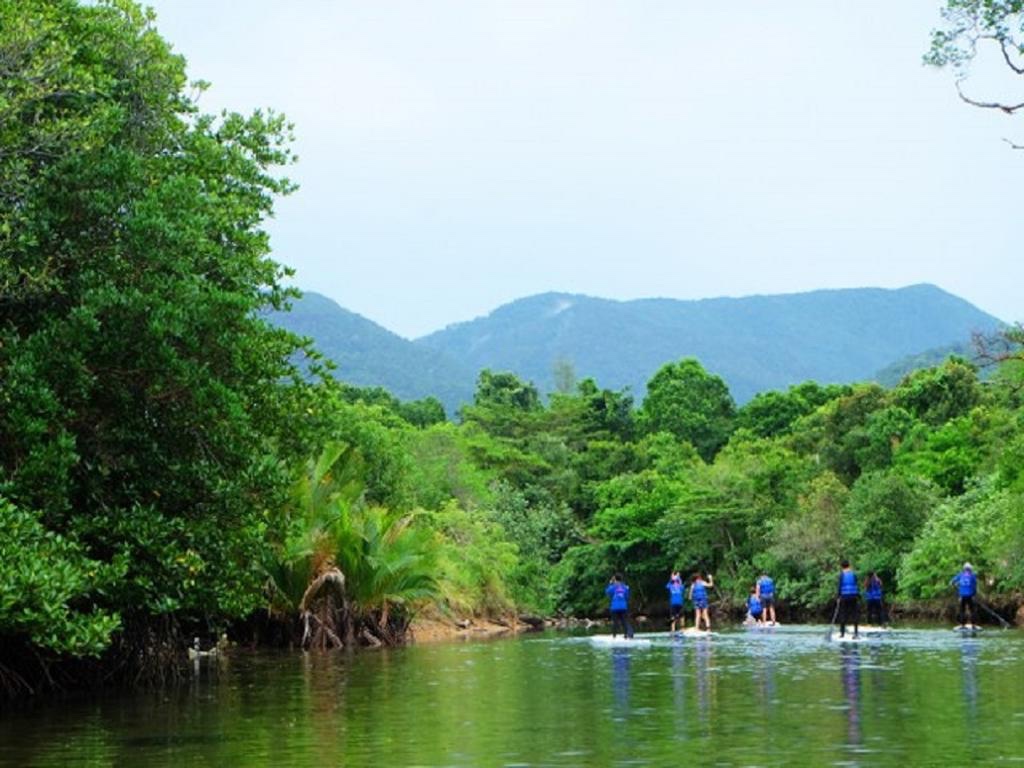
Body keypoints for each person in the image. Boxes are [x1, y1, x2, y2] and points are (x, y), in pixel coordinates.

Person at [950, 562, 979, 629]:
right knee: (972, 610)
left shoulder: (960, 575)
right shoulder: (972, 575)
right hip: (970, 595)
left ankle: (963, 625)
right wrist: (974, 594)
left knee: (962, 610)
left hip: (962, 596)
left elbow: (951, 582)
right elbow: (974, 586)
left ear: (964, 569)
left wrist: (955, 585)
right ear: (970, 569)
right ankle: (973, 625)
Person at [837, 560, 860, 639]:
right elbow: (856, 584)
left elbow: (839, 586)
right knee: (854, 614)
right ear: (849, 565)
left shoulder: (841, 575)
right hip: (853, 596)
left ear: (842, 567)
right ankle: (856, 633)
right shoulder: (853, 574)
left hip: (844, 596)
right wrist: (858, 595)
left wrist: (838, 597)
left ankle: (842, 634)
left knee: (843, 614)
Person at [606, 573, 634, 638]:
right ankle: (626, 635)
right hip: (623, 607)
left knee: (615, 622)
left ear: (615, 579)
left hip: (615, 607)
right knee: (624, 622)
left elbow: (607, 592)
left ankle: (614, 636)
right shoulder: (625, 587)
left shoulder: (613, 587)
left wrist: (610, 583)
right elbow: (627, 596)